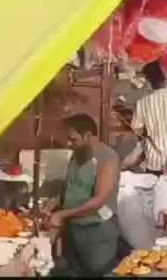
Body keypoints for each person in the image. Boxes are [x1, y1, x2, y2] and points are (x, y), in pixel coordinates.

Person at [48, 114, 120, 277]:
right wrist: (56, 202)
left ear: (88, 135)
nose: (69, 143)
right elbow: (71, 184)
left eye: (73, 139)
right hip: (75, 229)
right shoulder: (78, 153)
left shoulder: (107, 158)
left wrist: (62, 214)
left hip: (97, 231)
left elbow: (99, 201)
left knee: (97, 271)